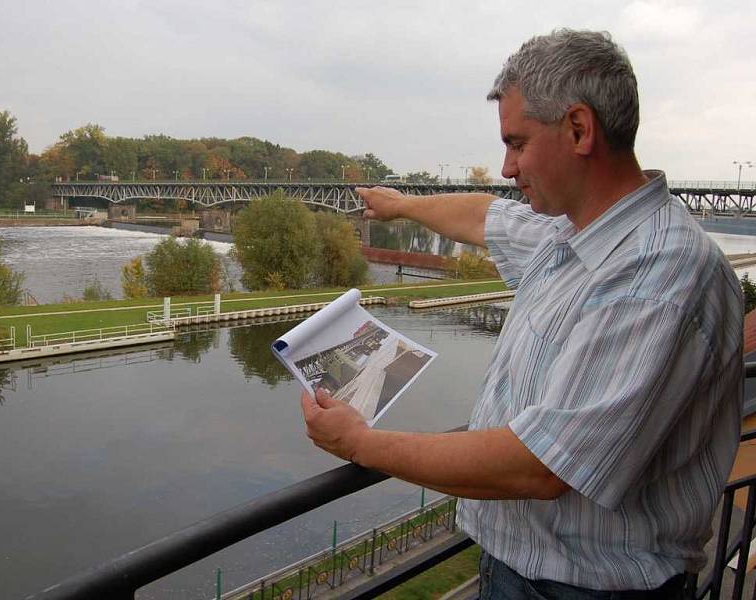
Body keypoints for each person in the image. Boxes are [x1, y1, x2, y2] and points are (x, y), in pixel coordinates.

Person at [301, 29, 743, 599]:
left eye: (517, 143)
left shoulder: (656, 273)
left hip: (585, 591)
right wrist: (398, 205)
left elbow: (539, 466)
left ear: (579, 130)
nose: (506, 168)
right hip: (523, 573)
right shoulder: (572, 233)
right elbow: (483, 216)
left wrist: (360, 443)